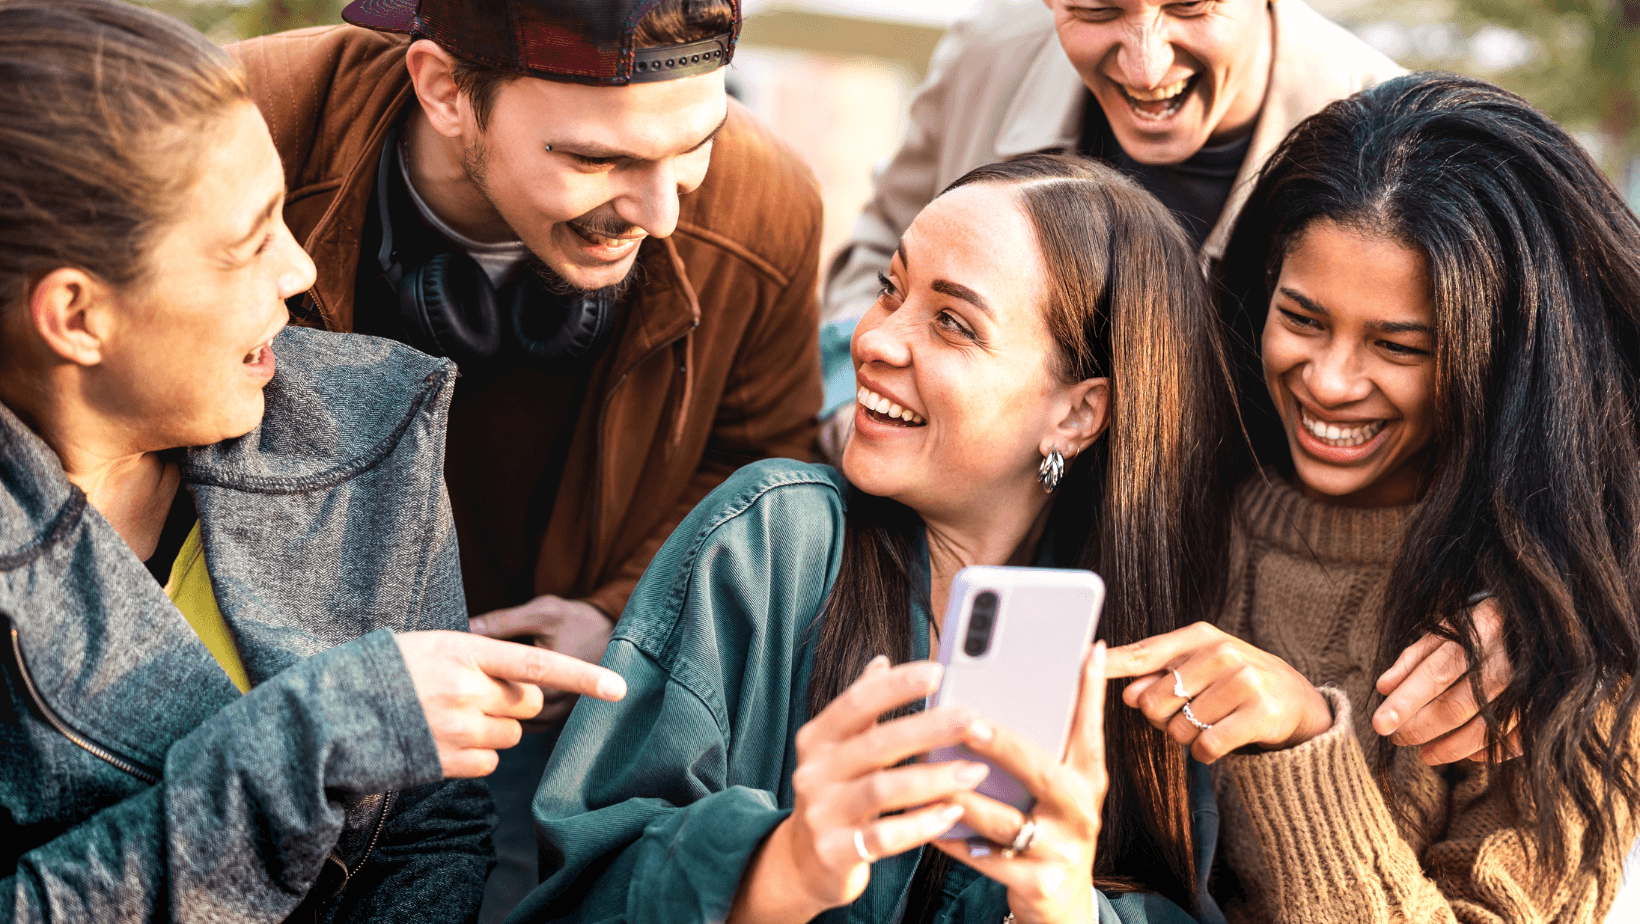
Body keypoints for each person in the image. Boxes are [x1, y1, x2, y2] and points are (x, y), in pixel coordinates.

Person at [0, 2, 626, 921]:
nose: (300, 272)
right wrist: (313, 740)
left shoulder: (371, 421)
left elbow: (433, 833)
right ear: (78, 316)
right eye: (251, 243)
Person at [515, 154, 1236, 924]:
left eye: (953, 323)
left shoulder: (1139, 662)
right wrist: (779, 867)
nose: (875, 341)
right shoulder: (769, 543)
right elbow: (579, 891)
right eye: (891, 289)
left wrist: (1066, 911)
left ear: (1077, 414)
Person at [1107, 72, 1640, 922]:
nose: (1328, 382)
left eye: (1399, 345)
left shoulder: (1561, 641)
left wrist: (1301, 746)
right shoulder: (1163, 478)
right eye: (1303, 318)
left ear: (1503, 364)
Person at [227, 0, 823, 697]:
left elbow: (752, 463)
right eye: (596, 158)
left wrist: (624, 613)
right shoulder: (233, 128)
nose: (662, 215)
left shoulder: (766, 201)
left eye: (696, 145)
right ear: (445, 91)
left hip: (553, 718)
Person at [810, 0, 1403, 462]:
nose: (1145, 68)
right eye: (1097, 11)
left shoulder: (1408, 135)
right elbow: (884, 239)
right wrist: (852, 399)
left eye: (1192, 7)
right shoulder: (985, 53)